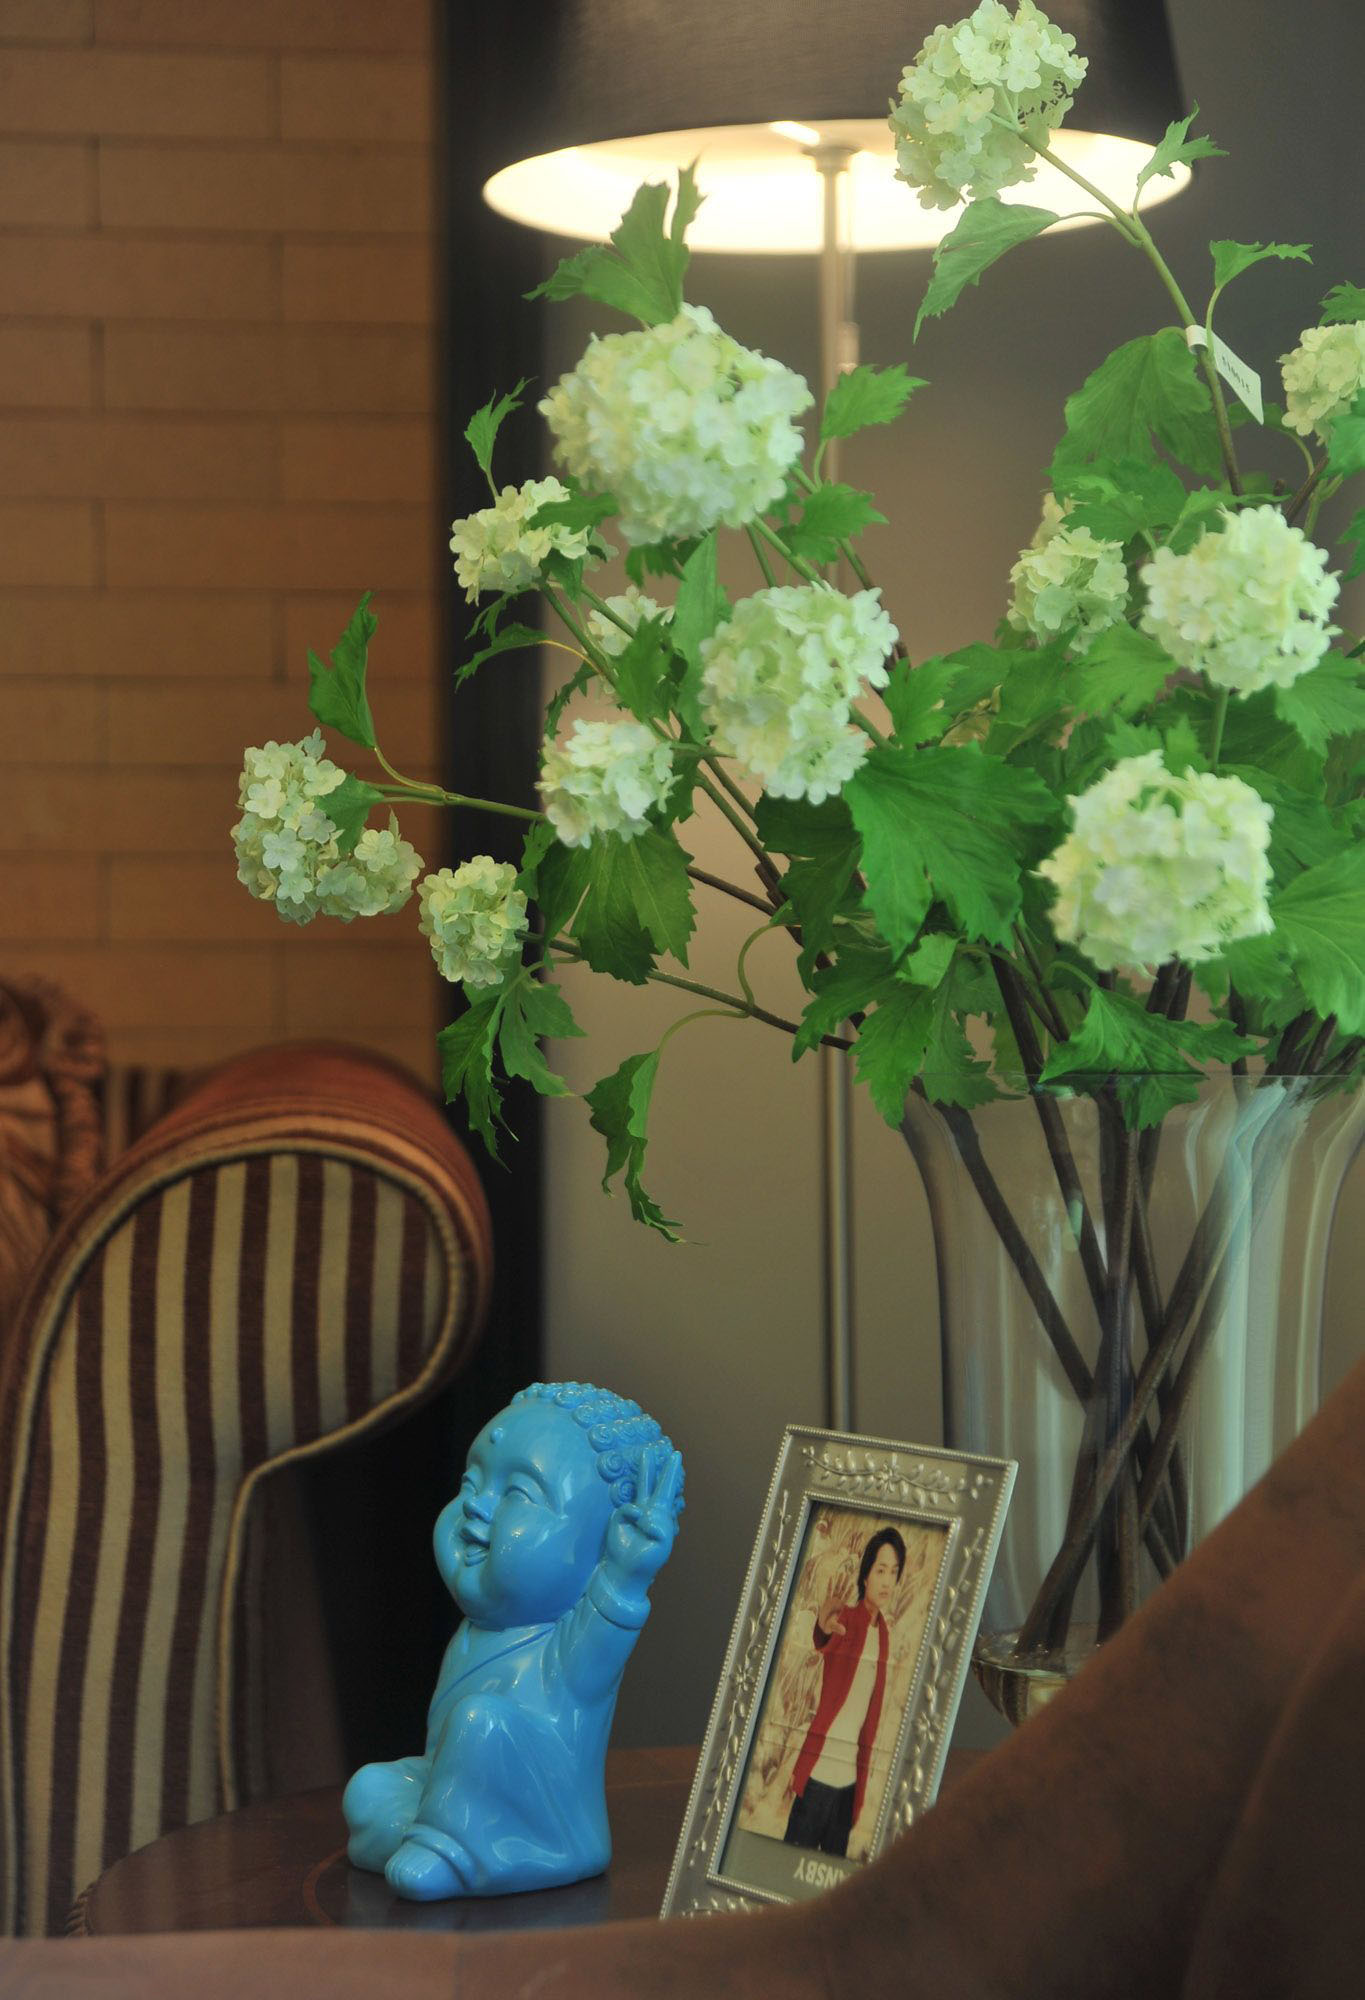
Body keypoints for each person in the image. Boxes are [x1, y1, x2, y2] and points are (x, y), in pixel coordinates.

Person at [342, 1381, 684, 1900]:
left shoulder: (570, 1644)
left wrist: (624, 1577)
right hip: (460, 1793)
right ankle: (435, 1835)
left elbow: (603, 1637)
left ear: (602, 1548)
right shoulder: (476, 1632)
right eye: (471, 1481)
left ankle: (453, 1849)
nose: (476, 1505)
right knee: (372, 1787)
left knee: (480, 1721)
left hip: (548, 1817)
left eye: (517, 1494)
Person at [783, 1525, 906, 1859]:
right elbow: (825, 1636)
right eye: (880, 1570)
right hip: (819, 1776)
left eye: (893, 1572)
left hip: (848, 1787)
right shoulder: (847, 1618)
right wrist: (823, 1625)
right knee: (788, 1865)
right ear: (866, 1575)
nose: (887, 1581)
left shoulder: (884, 1635)